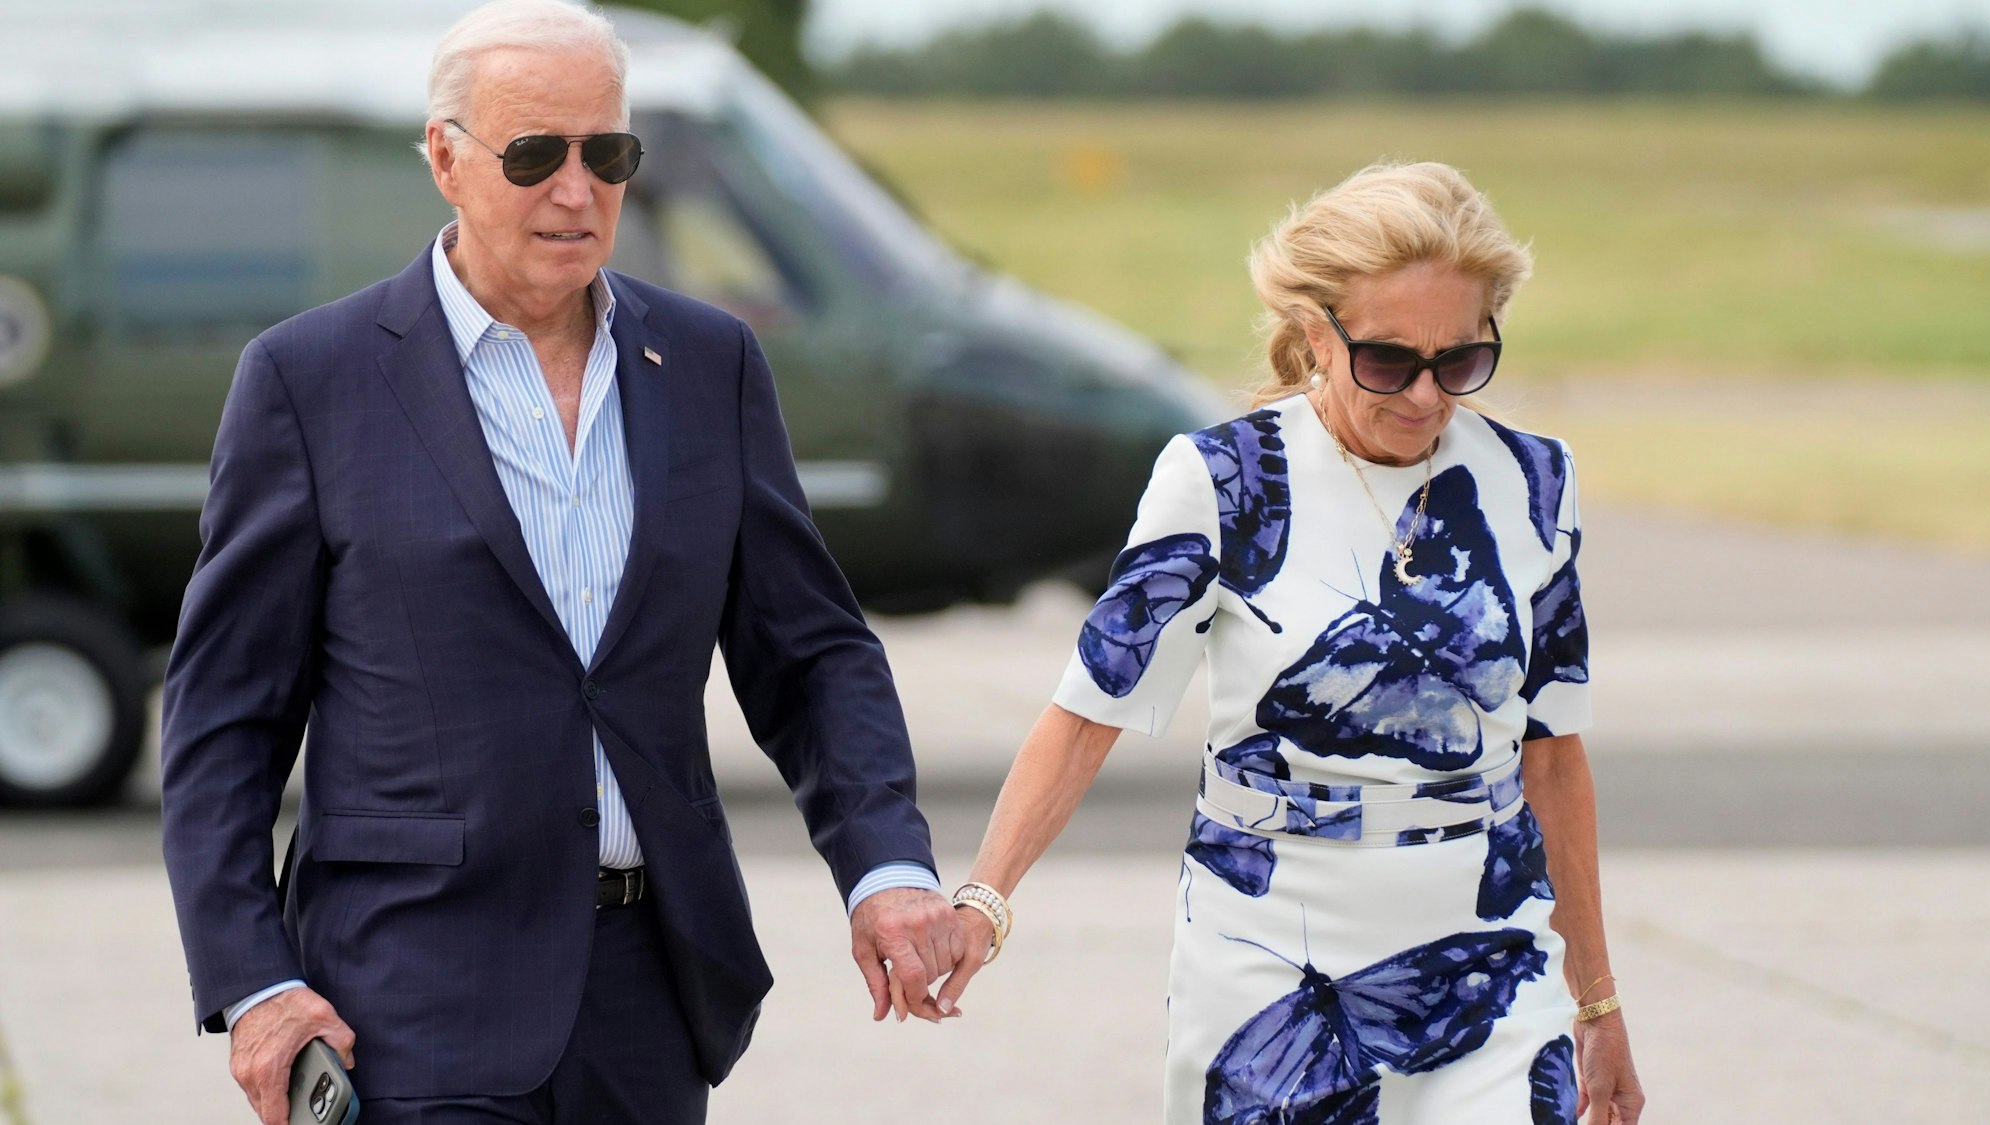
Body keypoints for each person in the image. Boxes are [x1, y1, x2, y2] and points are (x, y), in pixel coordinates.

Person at [159, 3, 960, 1123]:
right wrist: (254, 983)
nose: (577, 191)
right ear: (445, 158)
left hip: (650, 998)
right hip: (407, 999)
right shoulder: (309, 380)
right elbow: (223, 721)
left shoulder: (712, 363)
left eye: (608, 154)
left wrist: (886, 867)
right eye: (535, 154)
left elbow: (812, 652)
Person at [935, 162, 1645, 1123]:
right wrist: (985, 899)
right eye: (1388, 361)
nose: (1426, 396)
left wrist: (1597, 1003)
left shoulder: (1535, 483)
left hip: (1491, 948)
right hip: (1269, 955)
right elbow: (1090, 712)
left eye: (1461, 361)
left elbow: (1553, 752)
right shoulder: (1225, 480)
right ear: (1318, 334)